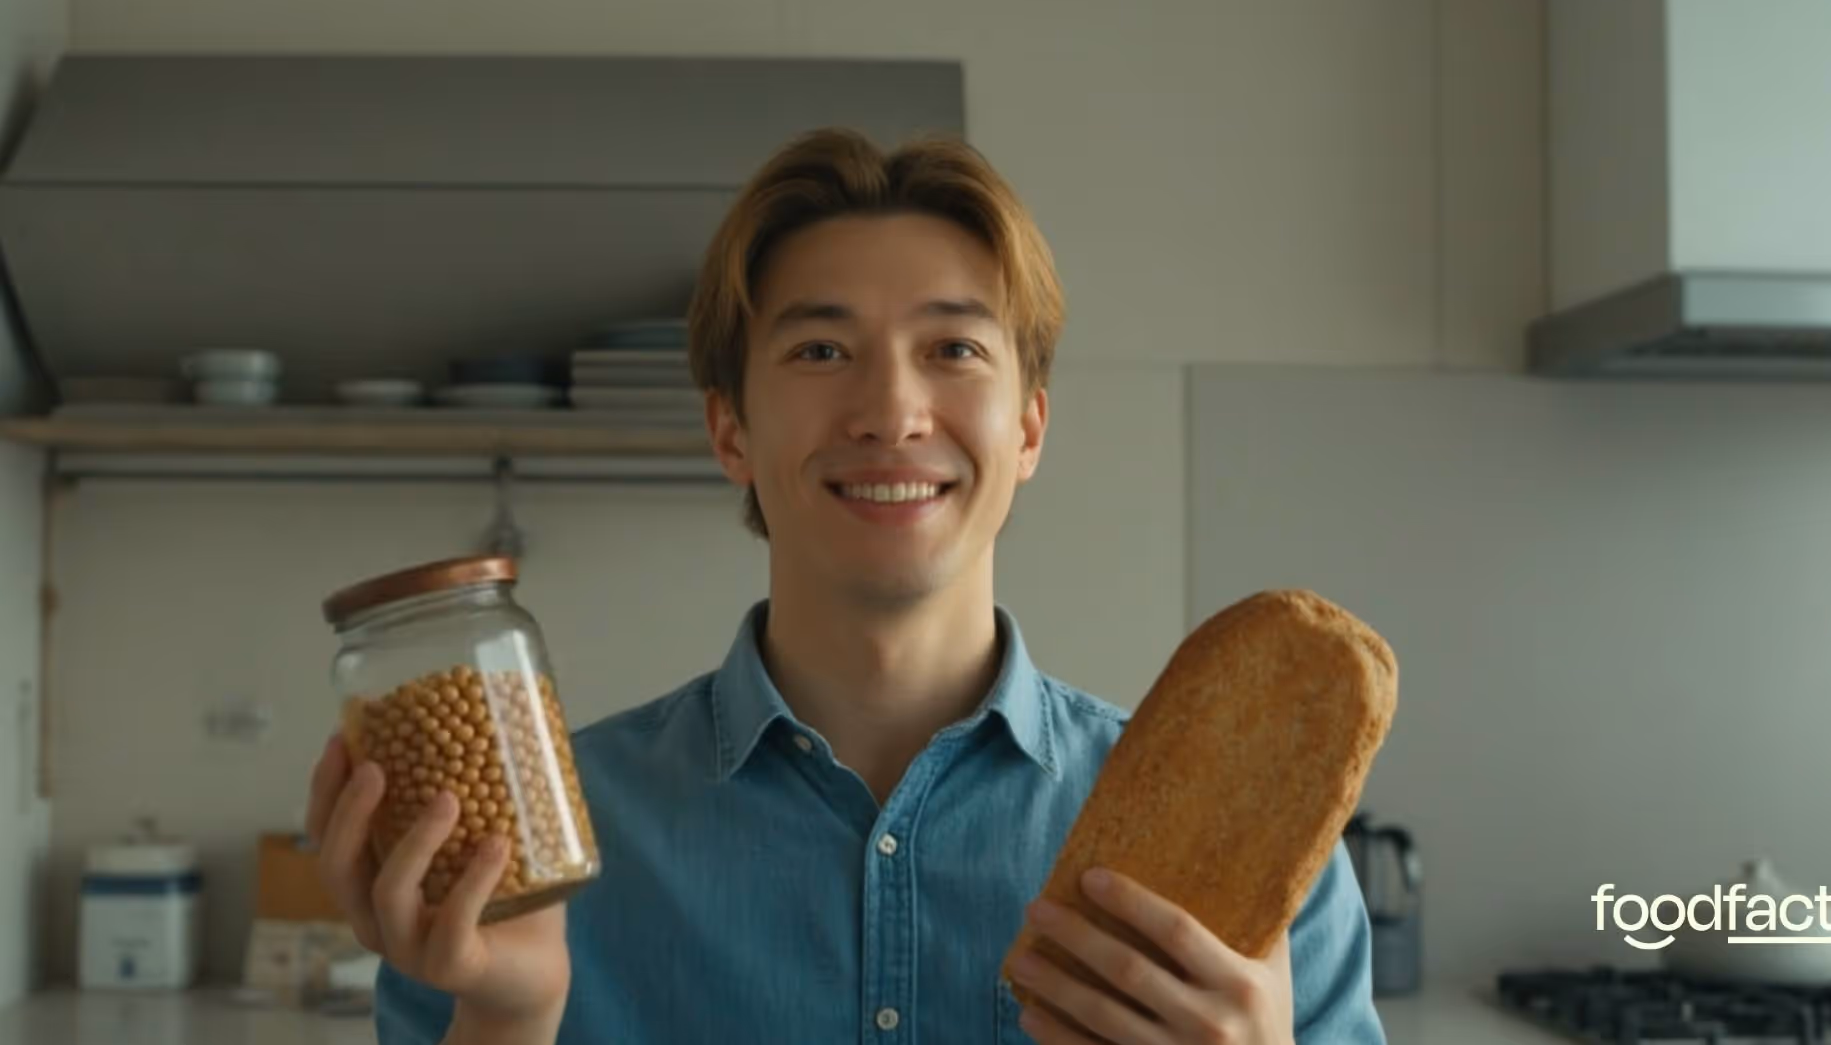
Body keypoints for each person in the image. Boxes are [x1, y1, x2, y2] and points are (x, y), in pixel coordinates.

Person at [305, 127, 1385, 1045]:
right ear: (730, 428)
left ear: (1029, 429)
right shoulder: (526, 861)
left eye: (953, 348)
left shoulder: (1259, 876)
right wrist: (507, 1021)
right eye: (822, 352)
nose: (891, 410)